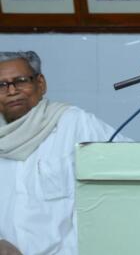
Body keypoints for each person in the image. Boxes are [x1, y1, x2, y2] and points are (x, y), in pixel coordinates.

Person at [0, 51, 129, 255]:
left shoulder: (74, 123)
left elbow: (131, 165)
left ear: (40, 84)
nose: (12, 90)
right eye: (2, 85)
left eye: (21, 81)